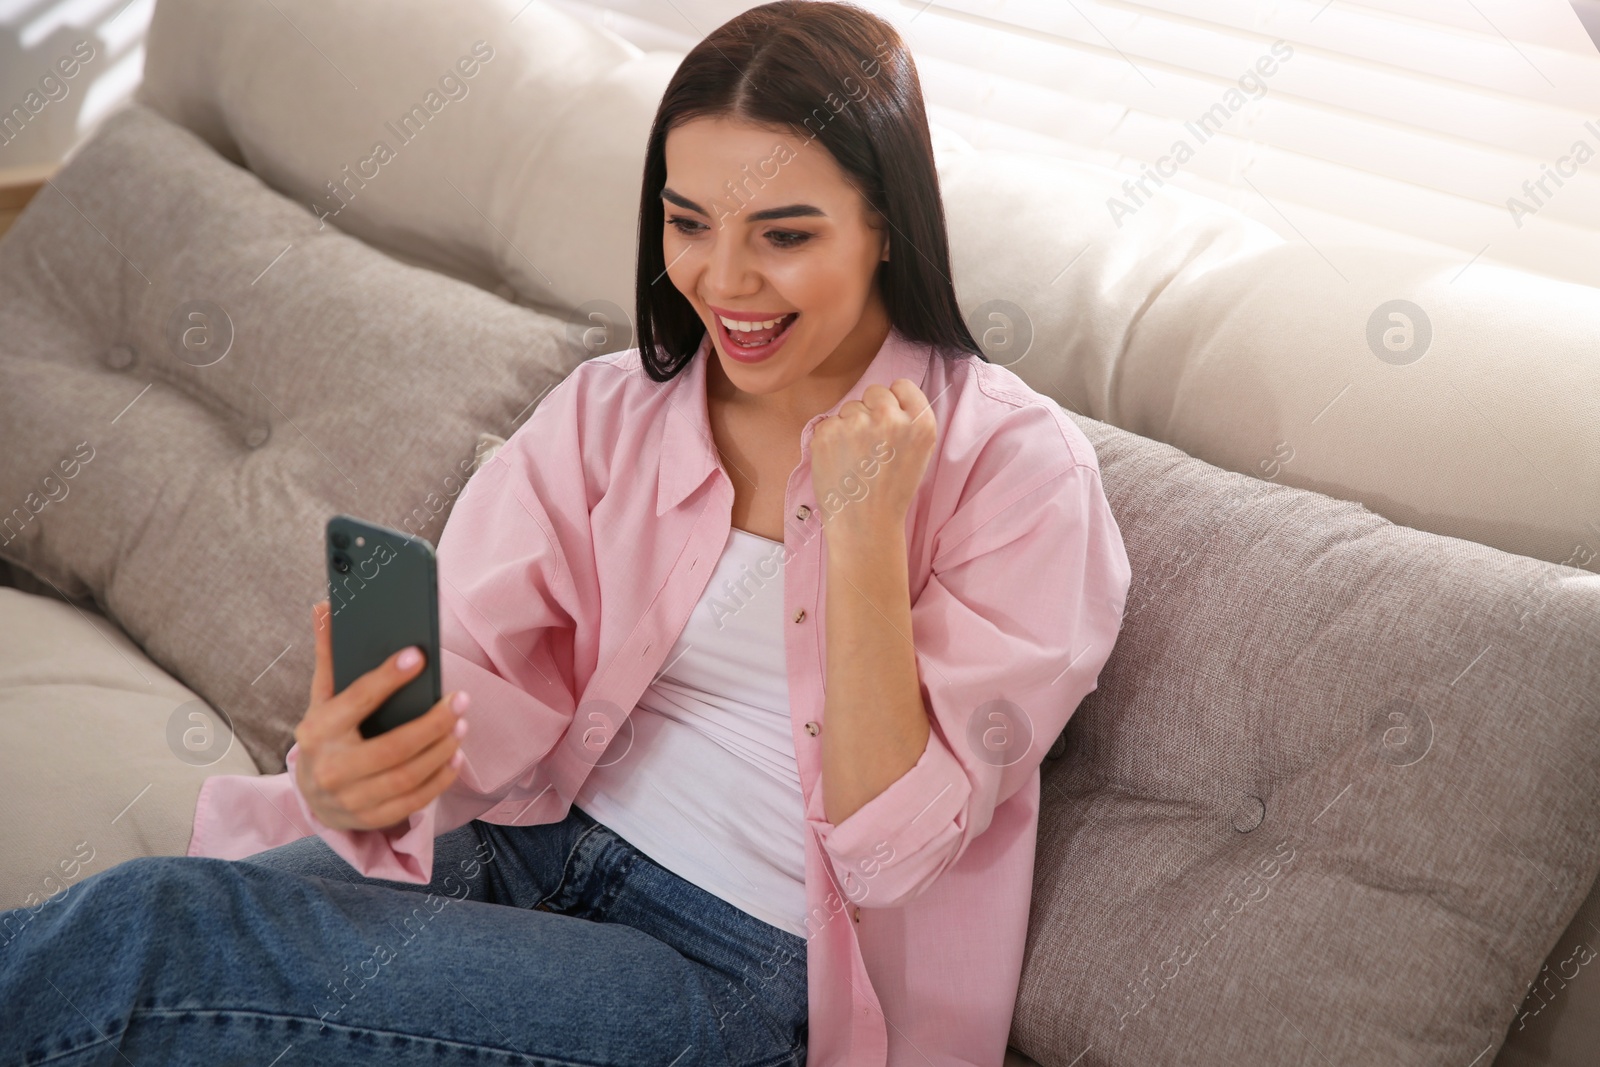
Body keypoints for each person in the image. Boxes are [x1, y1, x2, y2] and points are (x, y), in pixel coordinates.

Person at [0, 2, 1131, 1064]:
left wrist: (865, 533)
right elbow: (485, 685)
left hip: (741, 964)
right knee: (149, 945)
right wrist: (365, 777)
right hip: (525, 840)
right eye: (688, 223)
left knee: (160, 938)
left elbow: (892, 847)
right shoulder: (614, 410)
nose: (722, 281)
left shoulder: (1018, 473)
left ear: (887, 223)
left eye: (783, 234)